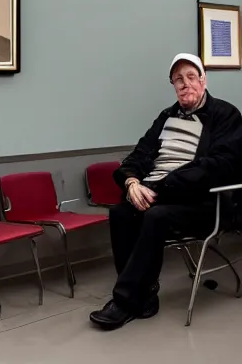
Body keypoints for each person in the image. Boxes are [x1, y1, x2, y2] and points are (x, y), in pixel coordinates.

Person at [89, 53, 242, 330]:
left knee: (155, 217)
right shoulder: (166, 116)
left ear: (203, 80)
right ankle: (144, 295)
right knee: (121, 213)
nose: (185, 84)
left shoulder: (225, 114)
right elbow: (138, 154)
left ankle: (124, 302)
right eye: (178, 80)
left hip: (204, 203)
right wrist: (132, 182)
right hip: (157, 195)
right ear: (172, 85)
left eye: (191, 77)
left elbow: (222, 165)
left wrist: (161, 186)